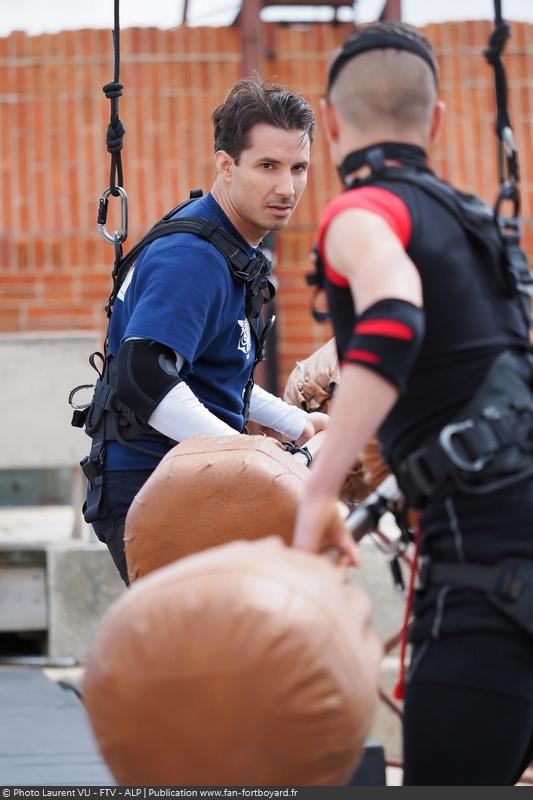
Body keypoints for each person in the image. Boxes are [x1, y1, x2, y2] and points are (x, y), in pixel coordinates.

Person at [293, 21, 533, 785]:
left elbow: (394, 317)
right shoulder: (483, 229)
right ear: (434, 123)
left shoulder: (360, 213)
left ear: (327, 122)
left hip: (482, 593)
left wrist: (318, 496)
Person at [81, 77, 328, 585]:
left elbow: (213, 375)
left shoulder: (227, 244)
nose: (286, 188)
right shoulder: (195, 257)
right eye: (267, 166)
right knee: (210, 658)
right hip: (154, 487)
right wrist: (250, 455)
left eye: (298, 168)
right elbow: (145, 374)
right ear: (225, 165)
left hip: (187, 481)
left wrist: (297, 425)